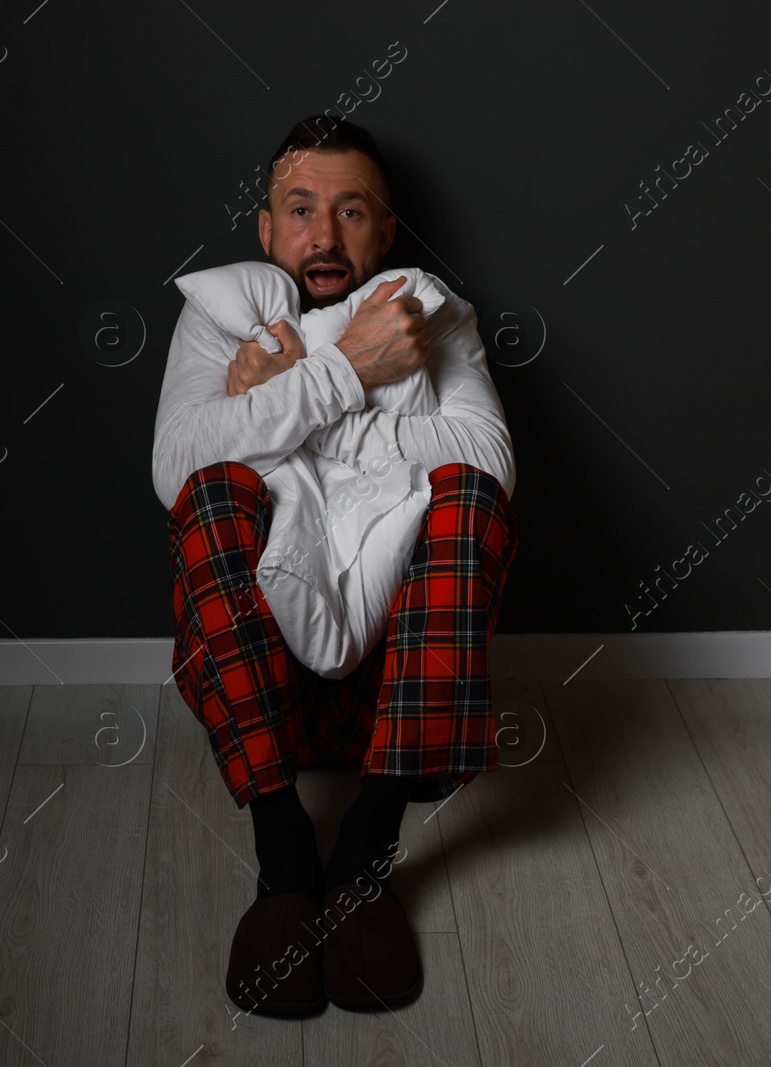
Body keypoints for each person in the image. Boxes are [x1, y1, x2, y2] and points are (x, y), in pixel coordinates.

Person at [152, 115, 519, 1014]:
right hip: (260, 697)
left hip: (399, 708)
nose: (325, 234)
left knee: (467, 496)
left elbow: (488, 455)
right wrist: (348, 371)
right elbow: (175, 463)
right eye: (301, 208)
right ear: (268, 229)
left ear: (385, 232)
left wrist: (286, 395)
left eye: (352, 211)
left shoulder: (428, 313)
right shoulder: (219, 323)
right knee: (211, 490)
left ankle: (365, 854)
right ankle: (283, 859)